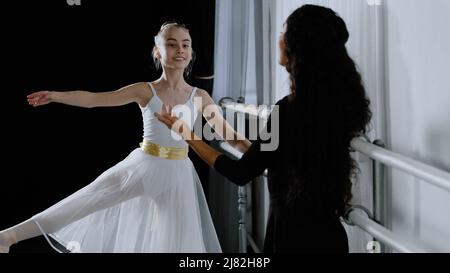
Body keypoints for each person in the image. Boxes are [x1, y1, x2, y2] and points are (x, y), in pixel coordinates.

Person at [0, 22, 250, 253]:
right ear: (157, 52)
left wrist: (264, 154)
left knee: (180, 243)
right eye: (172, 44)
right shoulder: (145, 90)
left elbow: (231, 136)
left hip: (179, 176)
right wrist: (56, 95)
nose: (180, 50)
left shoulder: (200, 96)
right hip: (144, 166)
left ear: (192, 52)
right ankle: (9, 236)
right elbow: (94, 100)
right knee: (82, 202)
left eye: (185, 44)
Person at [155, 5, 372, 253]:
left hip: (292, 238)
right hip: (330, 237)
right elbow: (285, 155)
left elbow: (241, 172)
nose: (279, 39)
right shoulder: (334, 107)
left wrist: (188, 135)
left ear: (296, 46)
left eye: (283, 32)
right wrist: (245, 145)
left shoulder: (288, 110)